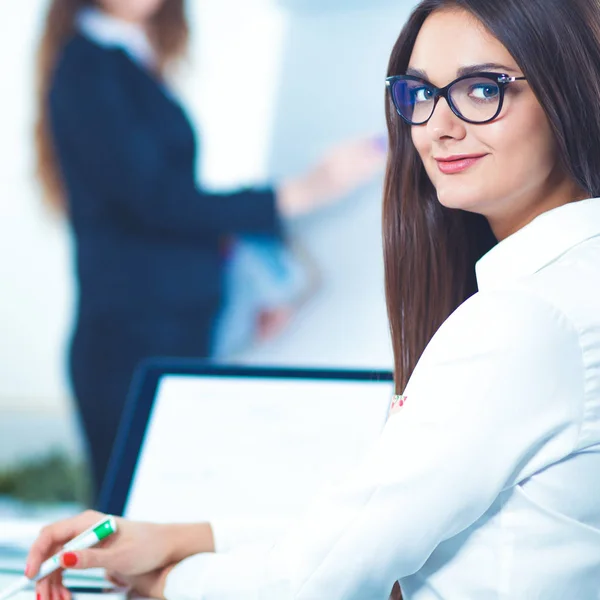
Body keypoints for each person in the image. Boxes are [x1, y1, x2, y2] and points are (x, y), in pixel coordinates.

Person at [27, 0, 600, 598]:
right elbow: (371, 525)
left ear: (569, 91)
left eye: (483, 90)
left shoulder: (522, 322)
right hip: (123, 329)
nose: (437, 126)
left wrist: (166, 580)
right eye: (419, 94)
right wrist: (185, 538)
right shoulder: (566, 287)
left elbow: (311, 581)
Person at [34, 0, 385, 497]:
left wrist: (255, 287)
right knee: (131, 528)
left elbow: (161, 211)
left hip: (167, 335)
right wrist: (305, 189)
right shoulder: (88, 66)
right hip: (129, 344)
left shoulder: (128, 61)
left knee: (161, 522)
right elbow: (156, 201)